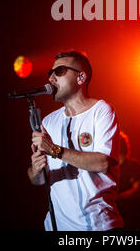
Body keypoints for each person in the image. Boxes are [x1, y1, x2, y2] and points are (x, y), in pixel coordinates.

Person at [27, 50, 124, 231]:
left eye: (60, 71)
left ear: (81, 77)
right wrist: (36, 169)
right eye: (50, 73)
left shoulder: (101, 110)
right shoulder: (48, 121)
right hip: (57, 227)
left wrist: (56, 150)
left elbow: (103, 163)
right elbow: (37, 180)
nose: (51, 78)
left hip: (98, 225)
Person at [116, 131, 140, 230]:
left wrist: (118, 197)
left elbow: (137, 189)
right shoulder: (111, 167)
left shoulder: (133, 165)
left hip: (132, 214)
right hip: (117, 215)